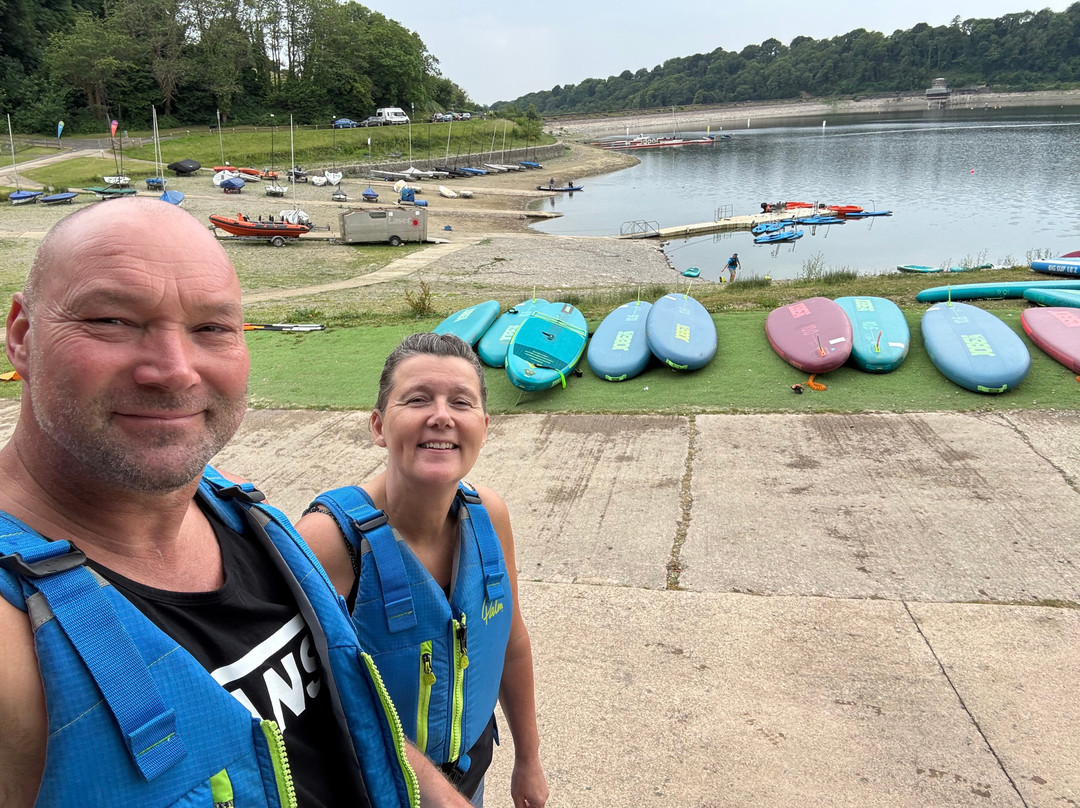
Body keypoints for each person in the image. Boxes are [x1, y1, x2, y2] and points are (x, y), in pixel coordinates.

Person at [0, 198, 472, 808]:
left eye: (212, 329)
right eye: (112, 321)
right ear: (22, 337)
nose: (174, 371)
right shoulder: (14, 645)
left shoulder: (247, 519)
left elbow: (358, 729)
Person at [298, 333, 549, 808]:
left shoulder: (489, 517)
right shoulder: (327, 541)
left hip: (468, 783)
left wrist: (528, 759)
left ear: (484, 426)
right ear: (378, 426)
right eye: (417, 399)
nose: (442, 415)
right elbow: (309, 710)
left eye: (461, 402)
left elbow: (510, 642)